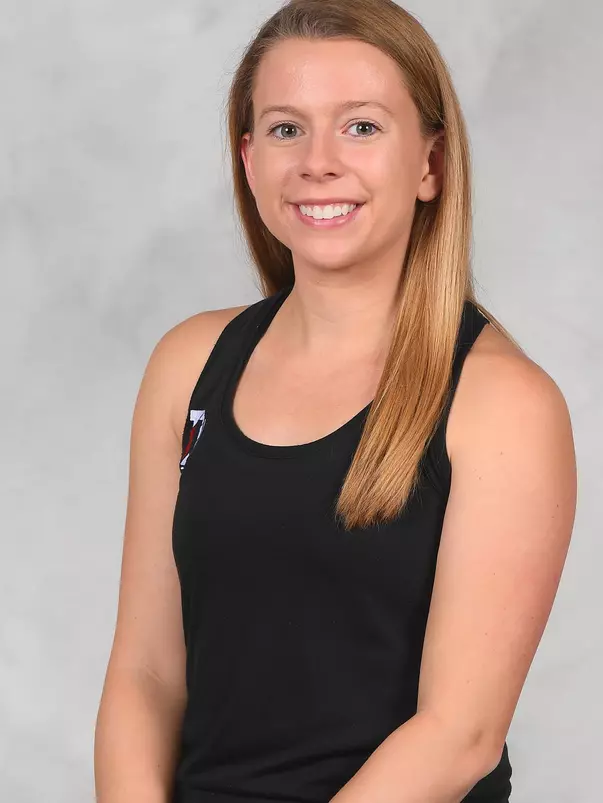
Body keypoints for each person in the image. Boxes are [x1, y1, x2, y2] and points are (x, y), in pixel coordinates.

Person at [94, 1, 577, 802]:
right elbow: (146, 671)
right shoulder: (189, 365)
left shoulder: (503, 405)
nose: (317, 161)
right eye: (286, 129)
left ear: (431, 164)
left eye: (360, 127)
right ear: (248, 160)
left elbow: (458, 735)